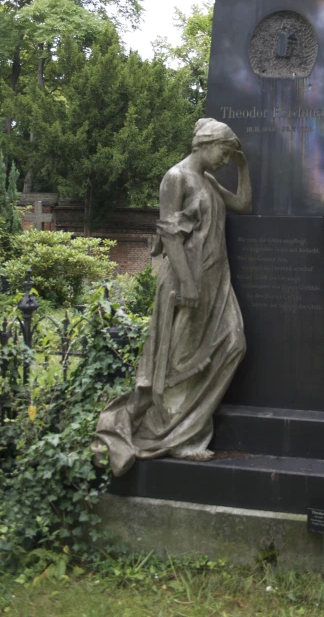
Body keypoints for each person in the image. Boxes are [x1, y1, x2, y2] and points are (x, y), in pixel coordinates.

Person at [92, 118, 252, 476]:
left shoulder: (208, 179)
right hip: (186, 281)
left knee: (234, 343)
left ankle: (187, 426)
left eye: (229, 155)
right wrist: (187, 282)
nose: (225, 159)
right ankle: (175, 436)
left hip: (215, 278)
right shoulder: (175, 177)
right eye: (225, 152)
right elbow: (170, 233)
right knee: (178, 362)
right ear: (205, 144)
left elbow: (243, 204)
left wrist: (242, 164)